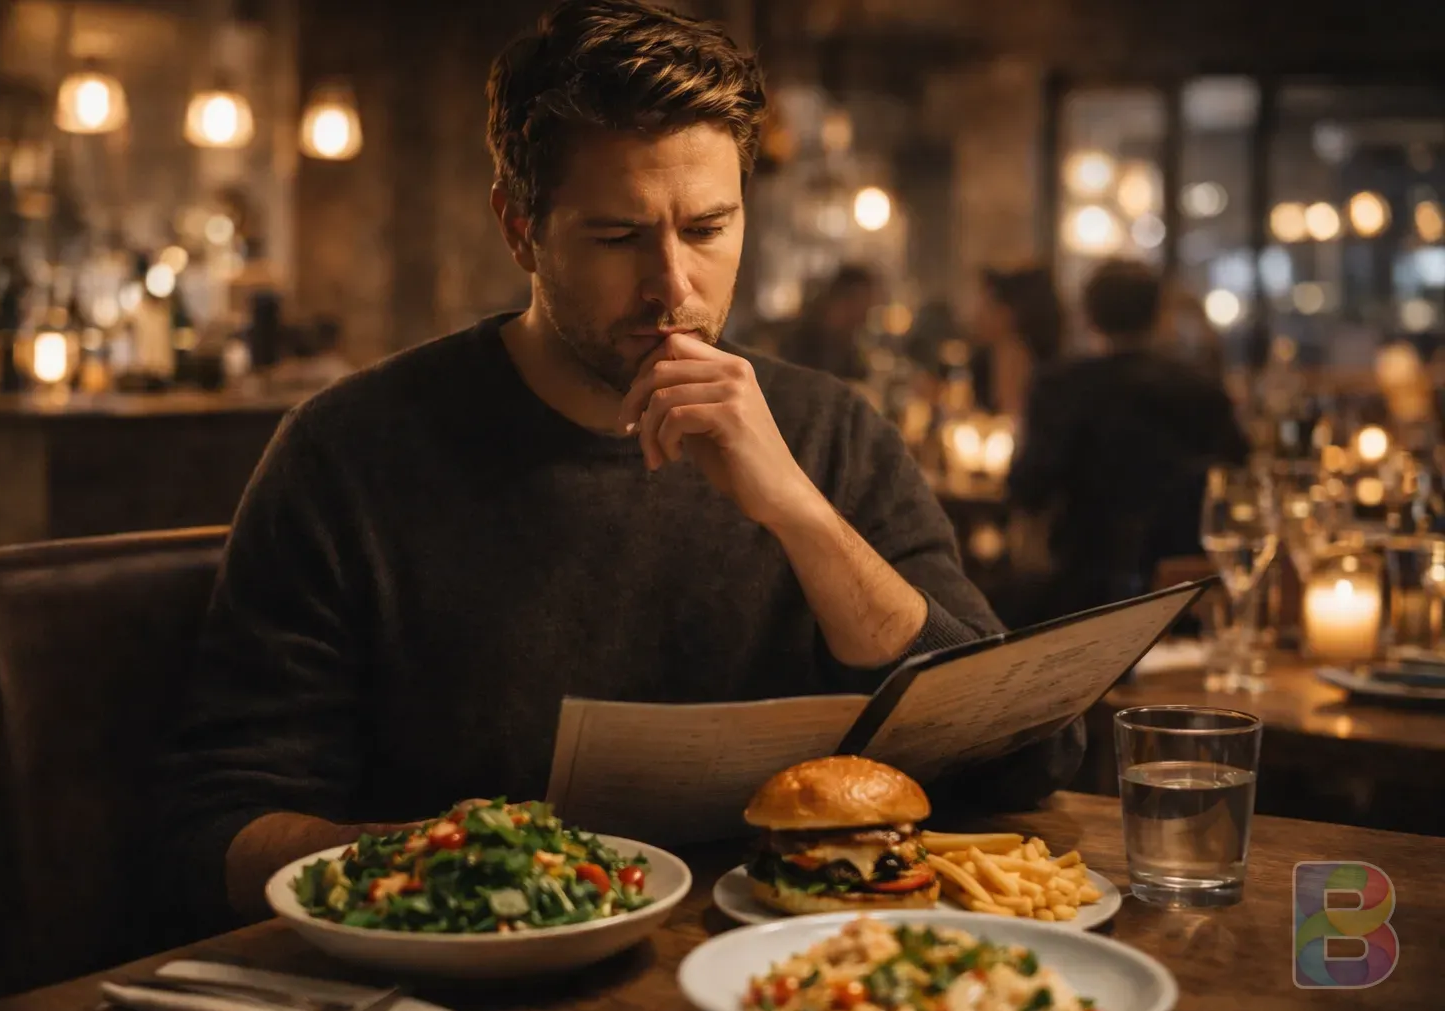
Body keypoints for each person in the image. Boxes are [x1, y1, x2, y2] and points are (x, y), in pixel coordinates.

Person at [159, 0, 1085, 928]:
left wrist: (800, 514)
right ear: (519, 226)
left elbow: (1033, 761)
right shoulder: (348, 452)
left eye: (709, 228)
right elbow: (217, 830)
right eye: (618, 237)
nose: (673, 287)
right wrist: (494, 873)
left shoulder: (832, 434)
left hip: (786, 974)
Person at [999, 259, 1248, 627]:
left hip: (1079, 593)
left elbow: (1026, 487)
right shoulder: (1201, 387)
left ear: (1087, 315)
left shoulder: (1062, 385)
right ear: (1158, 313)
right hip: (1185, 592)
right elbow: (1238, 473)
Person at [969, 264, 1064, 417]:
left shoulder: (1046, 382)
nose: (977, 314)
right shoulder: (983, 366)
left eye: (988, 304)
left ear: (1011, 313)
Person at [780, 264, 880, 381]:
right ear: (844, 300)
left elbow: (859, 375)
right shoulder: (808, 339)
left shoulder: (845, 340)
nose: (865, 317)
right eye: (863, 306)